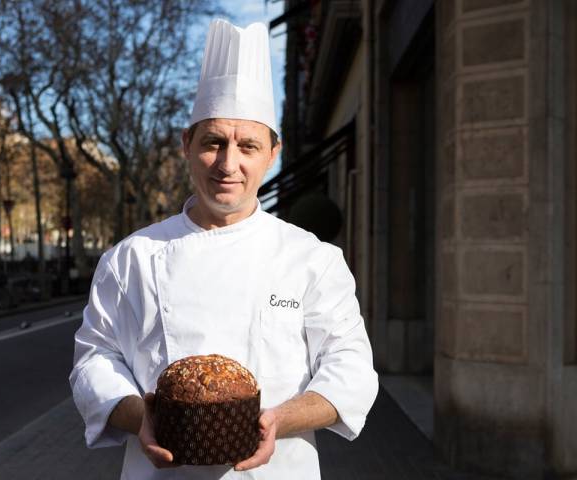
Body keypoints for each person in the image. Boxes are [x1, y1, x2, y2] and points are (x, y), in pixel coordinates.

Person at [70, 19, 378, 480]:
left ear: (272, 153)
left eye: (247, 146)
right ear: (187, 146)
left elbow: (351, 370)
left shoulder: (312, 259)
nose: (228, 164)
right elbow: (94, 360)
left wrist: (277, 419)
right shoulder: (130, 258)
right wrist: (141, 416)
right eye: (213, 141)